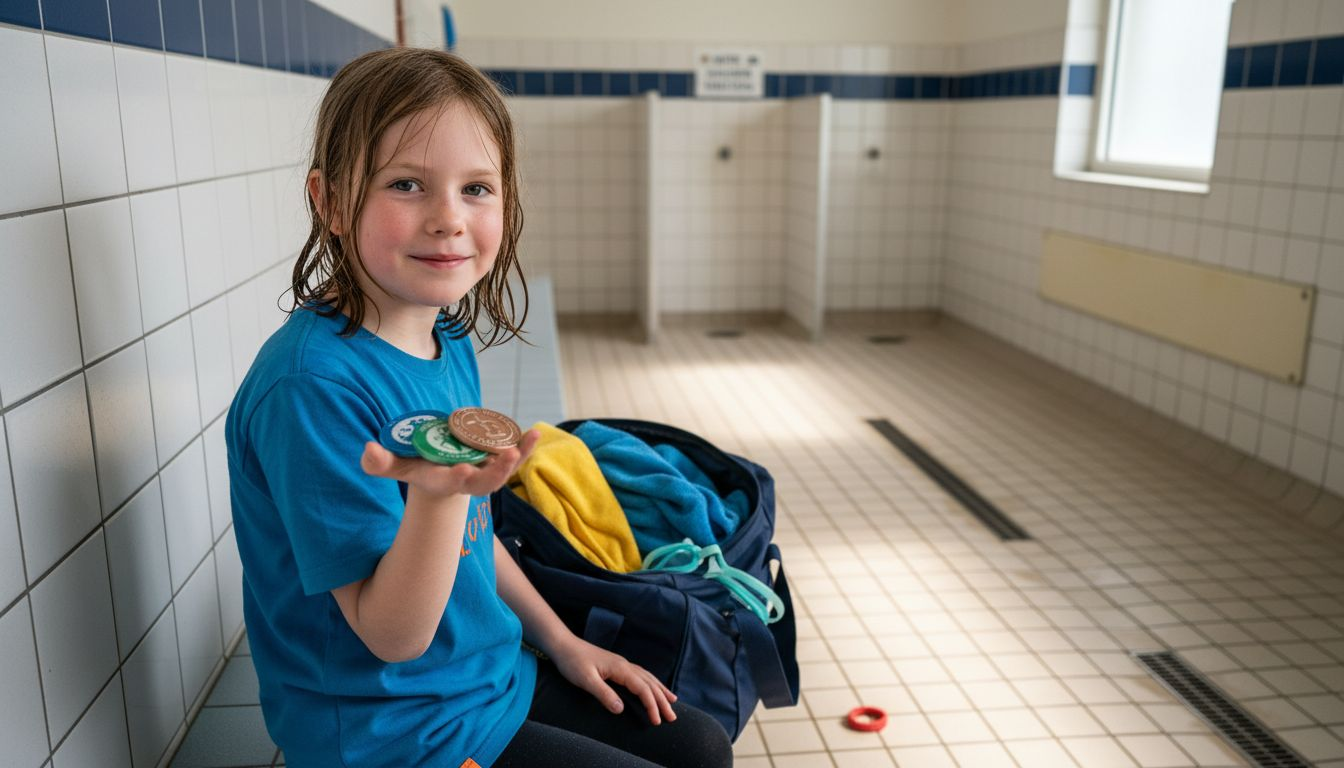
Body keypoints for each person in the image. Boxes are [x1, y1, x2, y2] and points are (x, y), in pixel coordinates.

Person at [226, 47, 733, 768]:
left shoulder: (445, 333)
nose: (448, 219)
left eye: (476, 188)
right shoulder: (312, 389)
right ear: (331, 202)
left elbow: (473, 530)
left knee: (701, 748)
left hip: (485, 680)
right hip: (392, 733)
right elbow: (390, 635)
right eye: (407, 184)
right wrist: (435, 497)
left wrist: (563, 644)